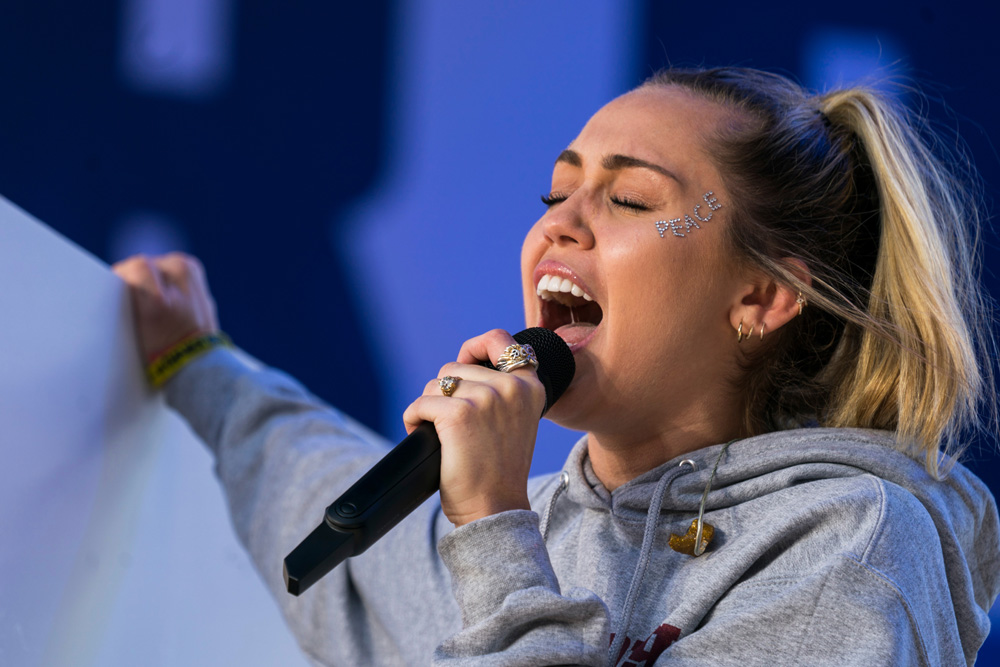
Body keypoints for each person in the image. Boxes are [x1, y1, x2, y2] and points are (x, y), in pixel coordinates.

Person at [113, 67, 1000, 666]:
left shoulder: (855, 540)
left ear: (762, 298)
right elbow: (307, 478)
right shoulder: (521, 526)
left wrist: (492, 530)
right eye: (555, 193)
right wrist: (201, 361)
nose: (557, 227)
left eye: (628, 198)